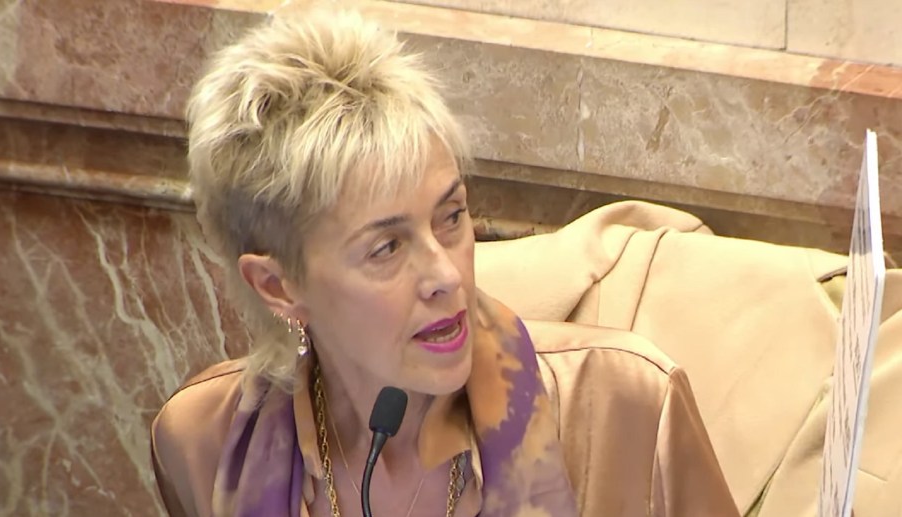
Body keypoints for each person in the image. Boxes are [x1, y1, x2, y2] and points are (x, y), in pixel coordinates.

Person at [150, 7, 739, 517]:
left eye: (451, 217)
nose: (446, 275)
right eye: (387, 247)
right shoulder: (202, 442)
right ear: (278, 286)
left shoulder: (626, 408)